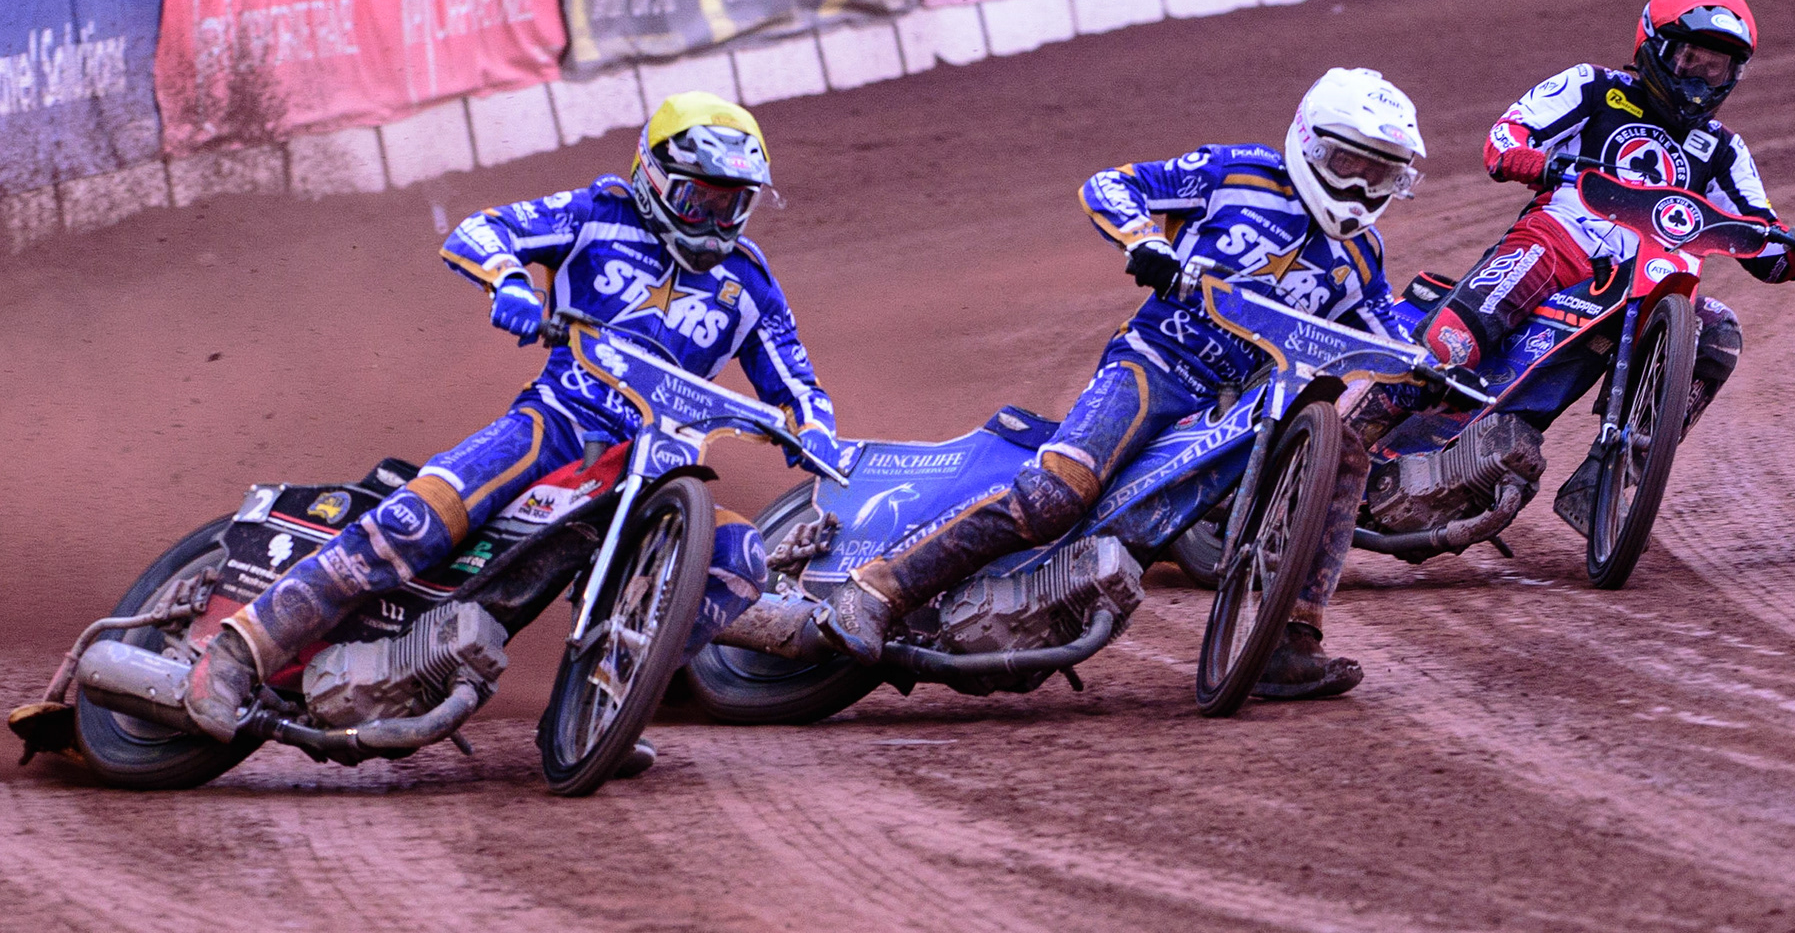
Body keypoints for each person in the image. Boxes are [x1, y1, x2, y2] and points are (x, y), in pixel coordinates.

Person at [184, 92, 845, 740]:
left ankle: (619, 695)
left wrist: (816, 430)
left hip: (654, 464)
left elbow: (799, 383)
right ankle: (238, 651)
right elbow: (481, 229)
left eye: (732, 202)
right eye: (698, 197)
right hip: (556, 424)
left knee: (740, 557)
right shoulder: (598, 215)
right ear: (654, 179)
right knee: (417, 521)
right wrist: (510, 282)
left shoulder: (750, 285)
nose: (713, 218)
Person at [819, 67, 1427, 699]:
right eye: (1348, 163)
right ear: (1308, 142)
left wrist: (1433, 365)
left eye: (1380, 174)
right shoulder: (1239, 173)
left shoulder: (1362, 258)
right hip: (1154, 364)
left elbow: (1386, 329)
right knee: (1058, 495)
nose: (1359, 187)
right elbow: (1112, 184)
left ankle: (1290, 640)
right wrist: (1145, 244)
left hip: (1237, 409)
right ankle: (878, 590)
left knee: (1344, 454)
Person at [1414, 0, 1795, 529]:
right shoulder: (1592, 87)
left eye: (1716, 68)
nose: (1700, 79)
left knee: (1717, 332)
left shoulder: (1723, 149)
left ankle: (1607, 483)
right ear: (1655, 47)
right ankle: (1353, 441)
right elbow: (1507, 136)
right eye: (1691, 59)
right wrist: (1525, 158)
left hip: (1645, 282)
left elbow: (1760, 239)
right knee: (1451, 345)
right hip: (1559, 241)